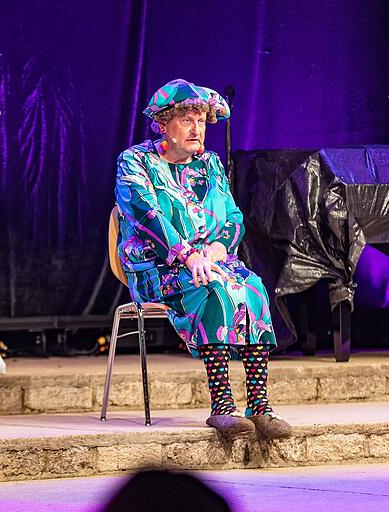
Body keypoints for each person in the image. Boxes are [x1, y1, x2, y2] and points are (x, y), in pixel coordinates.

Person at [115, 79, 291, 438]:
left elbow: (233, 218)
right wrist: (187, 255)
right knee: (215, 291)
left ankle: (259, 406)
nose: (197, 129)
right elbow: (145, 214)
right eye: (187, 121)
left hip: (210, 263)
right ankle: (222, 405)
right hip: (155, 267)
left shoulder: (209, 164)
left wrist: (216, 249)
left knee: (254, 288)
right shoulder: (136, 161)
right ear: (164, 123)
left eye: (201, 121)